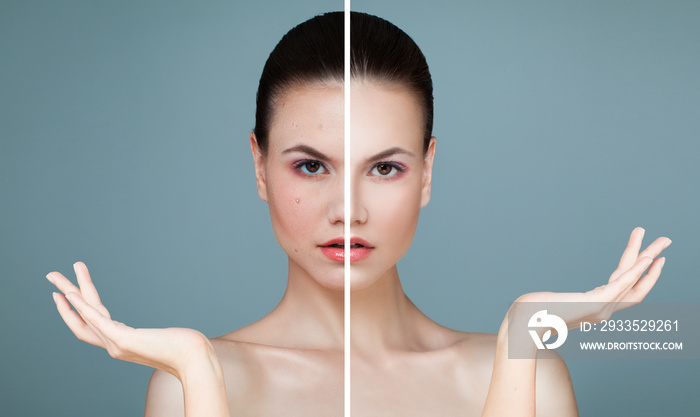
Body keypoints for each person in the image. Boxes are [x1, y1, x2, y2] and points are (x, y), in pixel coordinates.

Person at [46, 11, 671, 416]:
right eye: (311, 166)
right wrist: (197, 367)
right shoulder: (187, 381)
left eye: (385, 167)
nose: (348, 211)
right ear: (259, 167)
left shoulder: (528, 374)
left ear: (427, 173)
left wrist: (522, 333)